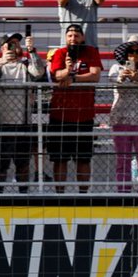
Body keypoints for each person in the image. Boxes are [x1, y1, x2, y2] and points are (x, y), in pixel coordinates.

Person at [46, 23, 104, 192]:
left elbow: (95, 75)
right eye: (70, 35)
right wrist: (68, 69)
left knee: (83, 158)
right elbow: (57, 75)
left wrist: (73, 78)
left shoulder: (91, 52)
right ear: (66, 38)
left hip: (84, 115)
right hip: (60, 115)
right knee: (60, 158)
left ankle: (84, 194)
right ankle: (60, 194)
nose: (73, 38)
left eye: (76, 35)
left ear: (83, 37)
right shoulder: (59, 53)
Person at [0, 29, 44, 187]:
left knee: (23, 164)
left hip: (23, 123)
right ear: (2, 48)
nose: (13, 47)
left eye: (16, 43)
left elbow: (38, 72)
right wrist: (2, 61)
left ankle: (24, 194)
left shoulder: (25, 64)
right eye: (9, 44)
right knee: (0, 163)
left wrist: (32, 51)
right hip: (0, 124)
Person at [107, 39, 138, 191]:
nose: (134, 55)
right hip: (120, 118)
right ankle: (123, 192)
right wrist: (123, 77)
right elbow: (114, 80)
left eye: (137, 51)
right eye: (131, 51)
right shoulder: (116, 68)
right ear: (125, 54)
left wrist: (137, 78)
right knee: (123, 160)